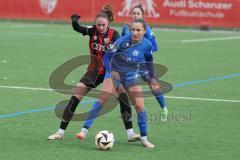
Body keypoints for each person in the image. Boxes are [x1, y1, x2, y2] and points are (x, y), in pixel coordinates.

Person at [48, 5, 134, 140]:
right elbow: (79, 29)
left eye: (103, 25)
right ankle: (60, 132)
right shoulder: (92, 31)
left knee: (123, 99)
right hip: (93, 71)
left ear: (108, 24)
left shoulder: (114, 34)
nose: (100, 27)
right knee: (75, 98)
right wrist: (74, 22)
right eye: (98, 25)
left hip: (109, 72)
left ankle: (130, 134)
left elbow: (120, 50)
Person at [76, 18, 155, 148]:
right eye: (133, 29)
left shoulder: (147, 45)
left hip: (130, 75)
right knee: (102, 98)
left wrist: (152, 78)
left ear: (144, 31)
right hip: (115, 72)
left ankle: (144, 138)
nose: (135, 32)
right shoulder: (122, 41)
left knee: (140, 106)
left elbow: (149, 61)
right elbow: (107, 57)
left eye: (138, 30)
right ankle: (84, 131)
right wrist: (111, 70)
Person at [121, 4, 168, 121]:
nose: (136, 15)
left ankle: (164, 108)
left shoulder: (146, 28)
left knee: (153, 85)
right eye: (134, 13)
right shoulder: (126, 27)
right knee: (123, 88)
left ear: (142, 15)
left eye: (138, 13)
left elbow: (155, 46)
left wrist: (142, 51)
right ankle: (130, 115)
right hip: (129, 64)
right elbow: (121, 43)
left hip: (143, 64)